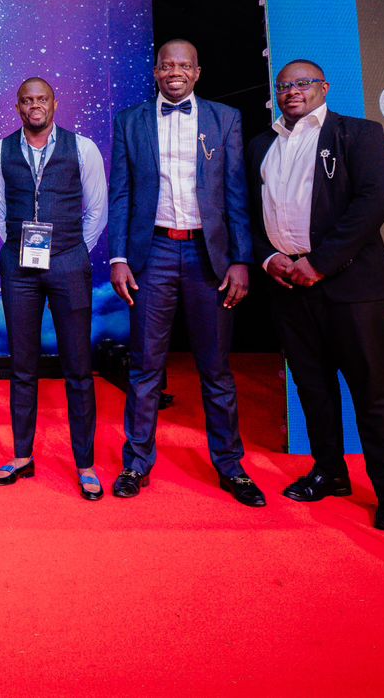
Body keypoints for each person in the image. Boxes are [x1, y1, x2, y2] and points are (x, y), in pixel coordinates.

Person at [247, 59, 384, 532]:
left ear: (324, 87)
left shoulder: (358, 134)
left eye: (302, 84)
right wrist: (268, 258)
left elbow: (374, 202)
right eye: (284, 86)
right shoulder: (264, 144)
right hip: (288, 287)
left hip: (352, 286)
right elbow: (248, 212)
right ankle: (330, 472)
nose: (292, 91)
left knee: (372, 393)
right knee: (314, 391)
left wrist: (320, 263)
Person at [108, 40, 264, 507]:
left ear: (197, 72)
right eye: (167, 65)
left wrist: (240, 258)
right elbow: (121, 194)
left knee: (216, 369)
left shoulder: (225, 119)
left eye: (184, 65)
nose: (175, 72)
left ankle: (231, 467)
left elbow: (236, 193)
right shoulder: (130, 121)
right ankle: (137, 463)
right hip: (151, 252)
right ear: (156, 72)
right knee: (145, 366)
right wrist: (118, 257)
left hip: (208, 257)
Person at [0, 79, 108, 500]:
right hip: (19, 265)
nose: (35, 106)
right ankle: (22, 456)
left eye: (42, 99)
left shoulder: (83, 148)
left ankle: (85, 463)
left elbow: (96, 210)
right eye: (27, 101)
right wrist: (25, 248)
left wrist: (70, 250)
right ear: (17, 107)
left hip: (70, 261)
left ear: (55, 103)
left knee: (77, 367)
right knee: (21, 364)